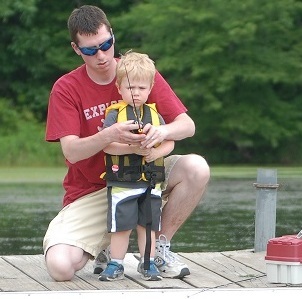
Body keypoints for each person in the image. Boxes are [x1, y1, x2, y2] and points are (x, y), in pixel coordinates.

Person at [44, 5, 210, 282]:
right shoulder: (66, 88)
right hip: (93, 190)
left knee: (197, 167)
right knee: (60, 268)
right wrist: (110, 135)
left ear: (112, 36)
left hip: (145, 176)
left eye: (106, 44)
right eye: (90, 50)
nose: (101, 55)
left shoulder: (137, 72)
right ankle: (106, 248)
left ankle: (157, 251)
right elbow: (71, 151)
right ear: (76, 49)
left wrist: (162, 133)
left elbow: (187, 126)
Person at [98, 51, 174, 281]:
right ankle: (116, 263)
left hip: (151, 182)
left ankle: (147, 263)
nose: (136, 93)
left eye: (141, 88)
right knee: (121, 226)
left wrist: (155, 152)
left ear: (150, 87)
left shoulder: (155, 116)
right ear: (119, 87)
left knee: (148, 226)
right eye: (131, 88)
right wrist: (131, 148)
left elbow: (169, 142)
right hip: (122, 183)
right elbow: (107, 146)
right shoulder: (114, 116)